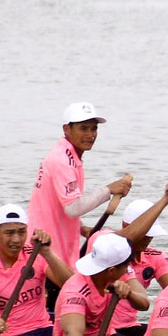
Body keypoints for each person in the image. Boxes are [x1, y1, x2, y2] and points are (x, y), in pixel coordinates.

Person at [27, 102, 132, 270]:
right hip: (46, 248)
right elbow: (72, 208)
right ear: (66, 129)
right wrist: (109, 190)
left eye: (94, 128)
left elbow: (60, 205)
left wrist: (81, 228)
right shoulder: (63, 160)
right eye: (83, 128)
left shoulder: (67, 155)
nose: (90, 135)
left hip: (52, 244)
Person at [92, 185, 168, 336]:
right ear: (125, 226)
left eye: (151, 234)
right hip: (101, 328)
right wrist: (165, 199)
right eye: (145, 233)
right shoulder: (104, 246)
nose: (149, 238)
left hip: (129, 326)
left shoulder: (156, 257)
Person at [0, 204, 74, 336]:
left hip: (43, 329)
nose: (16, 240)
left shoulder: (36, 254)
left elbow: (71, 285)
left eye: (22, 232)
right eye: (9, 233)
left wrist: (47, 253)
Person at [55, 233, 149, 336]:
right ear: (112, 270)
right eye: (126, 267)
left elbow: (144, 305)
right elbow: (73, 331)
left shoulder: (108, 275)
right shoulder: (76, 291)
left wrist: (129, 293)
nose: (127, 270)